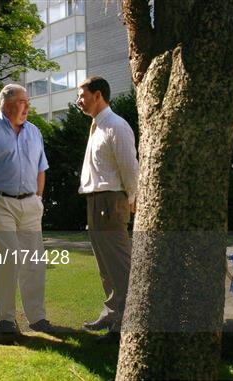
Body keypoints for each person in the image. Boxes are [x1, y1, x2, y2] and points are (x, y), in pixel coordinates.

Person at [0, 84, 52, 334]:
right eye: (22, 101)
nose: (27, 106)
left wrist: (37, 198)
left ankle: (37, 318)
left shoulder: (34, 131)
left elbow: (41, 168)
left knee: (34, 262)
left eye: (28, 101)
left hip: (29, 204)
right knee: (9, 260)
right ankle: (6, 319)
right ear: (6, 104)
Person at [77, 76, 139, 341]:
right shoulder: (97, 126)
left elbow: (130, 168)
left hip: (110, 202)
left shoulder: (116, 125)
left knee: (119, 266)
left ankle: (124, 324)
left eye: (82, 95)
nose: (79, 101)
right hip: (95, 201)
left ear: (98, 95)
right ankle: (112, 313)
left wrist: (134, 198)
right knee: (105, 266)